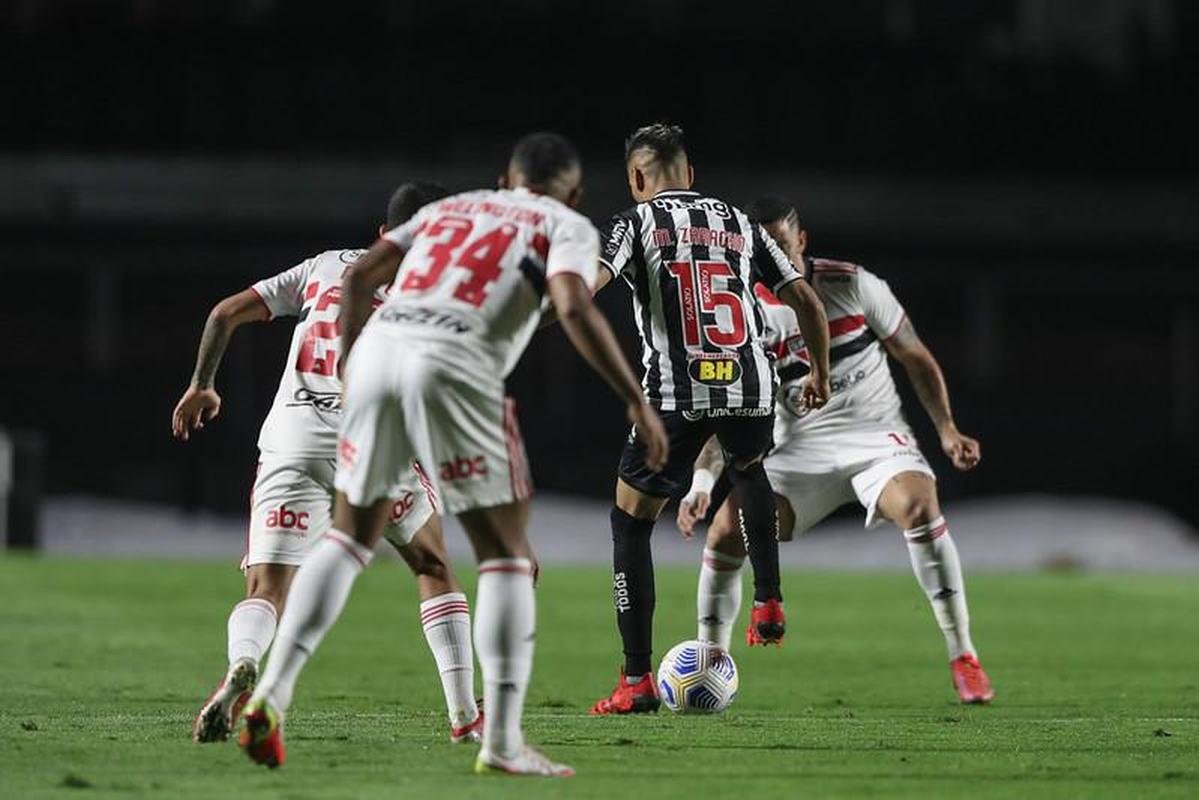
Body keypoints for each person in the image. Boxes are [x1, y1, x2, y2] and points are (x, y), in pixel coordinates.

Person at [238, 132, 668, 776]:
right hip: (458, 365)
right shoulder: (568, 224)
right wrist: (636, 401)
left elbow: (359, 276)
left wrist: (356, 366)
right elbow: (575, 305)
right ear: (573, 192)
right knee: (506, 557)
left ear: (504, 177)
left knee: (349, 540)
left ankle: (270, 695)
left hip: (383, 356)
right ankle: (498, 742)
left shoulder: (451, 208)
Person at [172, 182, 486, 746]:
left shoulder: (325, 267)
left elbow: (224, 313)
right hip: (370, 451)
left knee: (265, 588)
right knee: (433, 564)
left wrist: (202, 385)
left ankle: (241, 668)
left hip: (291, 442)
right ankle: (465, 716)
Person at [677, 195, 994, 704]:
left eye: (781, 244)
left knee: (919, 504)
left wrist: (947, 429)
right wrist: (701, 483)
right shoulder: (742, 312)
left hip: (874, 439)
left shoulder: (853, 284)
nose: (773, 257)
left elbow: (915, 356)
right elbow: (730, 410)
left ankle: (964, 655)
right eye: (763, 248)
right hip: (796, 451)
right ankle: (710, 666)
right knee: (724, 530)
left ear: (801, 242)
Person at [588, 125, 831, 716]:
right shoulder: (739, 222)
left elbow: (588, 282)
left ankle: (636, 679)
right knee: (748, 466)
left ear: (637, 177)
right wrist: (820, 371)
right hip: (750, 379)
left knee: (630, 523)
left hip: (678, 389)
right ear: (690, 174)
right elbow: (804, 296)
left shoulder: (634, 221)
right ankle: (769, 599)